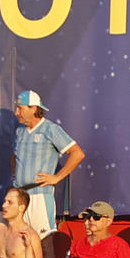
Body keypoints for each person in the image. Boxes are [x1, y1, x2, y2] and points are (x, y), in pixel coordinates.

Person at [11, 90, 83, 232]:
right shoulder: (20, 131)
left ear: (34, 108)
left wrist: (57, 177)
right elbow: (14, 156)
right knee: (19, 242)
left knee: (44, 241)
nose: (16, 112)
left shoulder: (50, 129)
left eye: (20, 108)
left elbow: (77, 153)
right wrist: (16, 175)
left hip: (39, 196)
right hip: (19, 196)